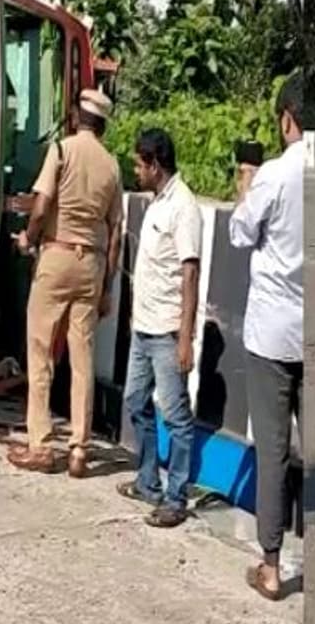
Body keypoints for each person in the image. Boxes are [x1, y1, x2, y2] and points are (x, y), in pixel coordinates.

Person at [7, 89, 122, 478]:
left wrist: (28, 238)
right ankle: (79, 450)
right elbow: (116, 231)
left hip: (56, 257)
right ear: (103, 124)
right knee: (82, 359)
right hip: (92, 264)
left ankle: (41, 446)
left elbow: (41, 207)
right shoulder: (112, 166)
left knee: (41, 352)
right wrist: (106, 284)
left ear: (76, 117)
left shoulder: (61, 150)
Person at [231, 73, 305, 601]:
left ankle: (273, 567)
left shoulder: (274, 176)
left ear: (286, 120)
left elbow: (239, 233)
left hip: (272, 335)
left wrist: (244, 191)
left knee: (273, 452)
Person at [116, 128, 202, 528]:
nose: (135, 170)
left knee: (176, 416)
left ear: (155, 164)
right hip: (143, 328)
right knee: (135, 401)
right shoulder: (156, 204)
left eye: (138, 163)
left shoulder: (183, 207)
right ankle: (148, 480)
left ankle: (176, 496)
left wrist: (185, 337)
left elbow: (189, 272)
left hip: (167, 332)